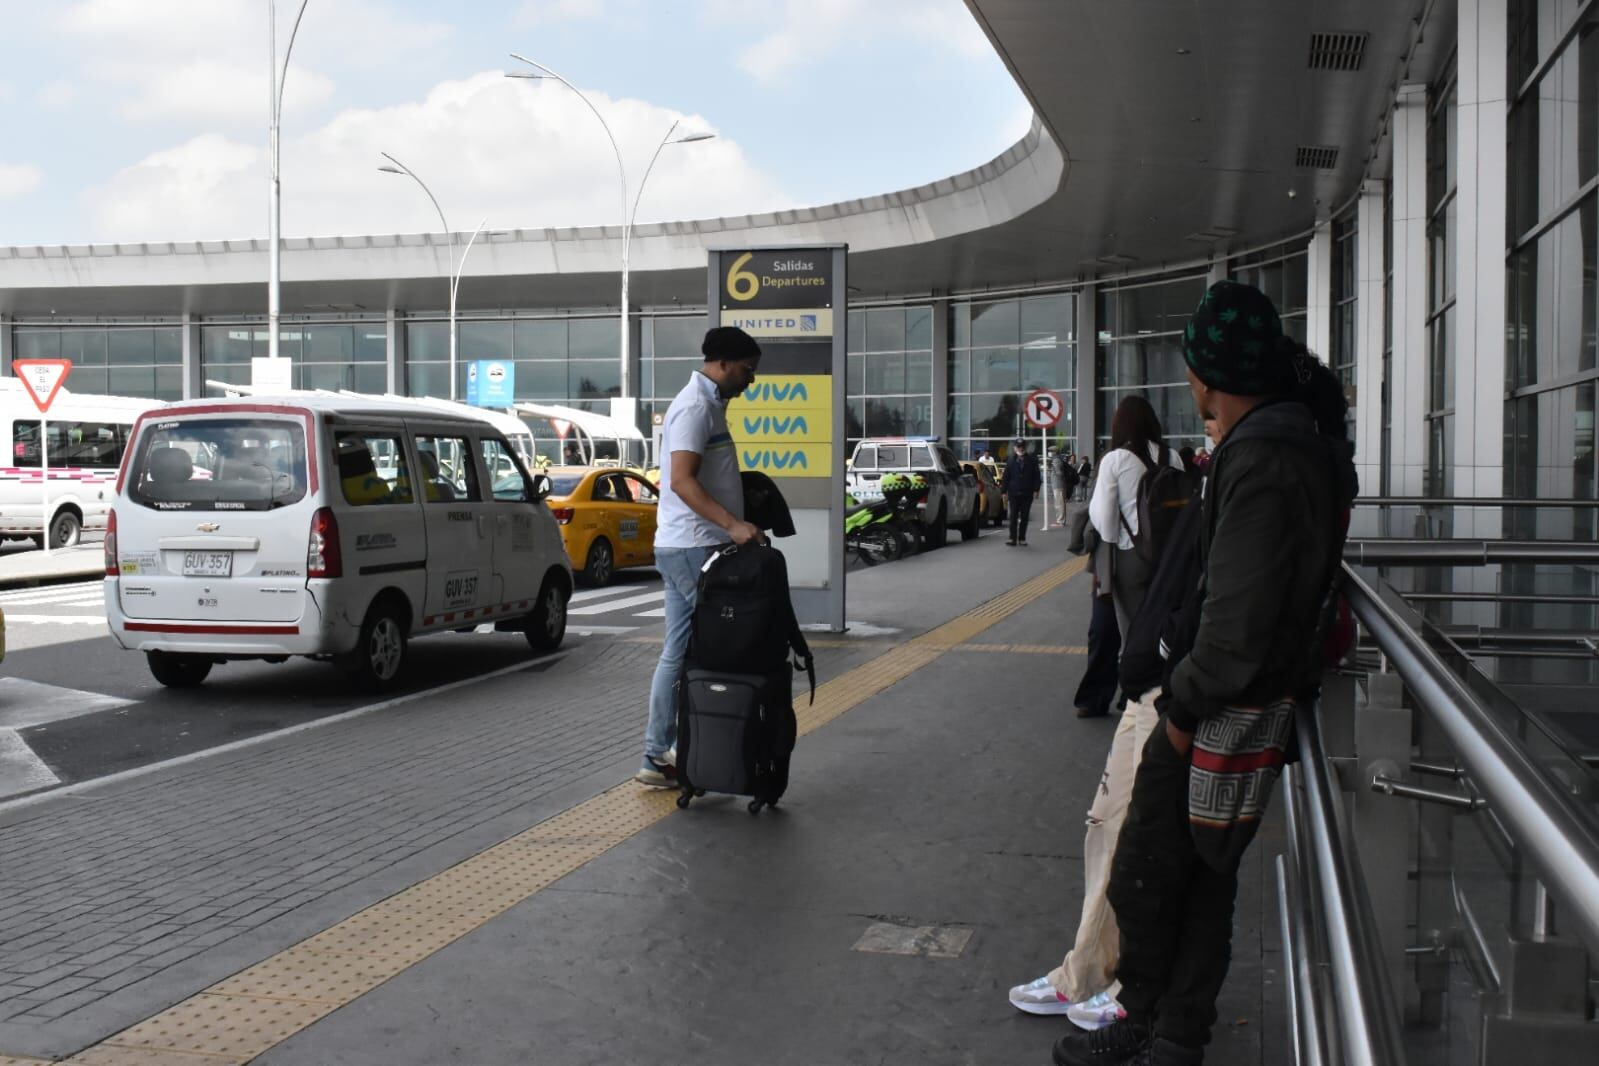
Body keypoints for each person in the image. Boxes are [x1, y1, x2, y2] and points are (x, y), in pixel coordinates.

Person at [1053, 281, 1357, 1066]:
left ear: (1207, 375)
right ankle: (1165, 1029)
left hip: (1219, 705)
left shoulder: (1265, 456)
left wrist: (1180, 714)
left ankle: (1159, 1021)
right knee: (1195, 875)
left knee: (1152, 874)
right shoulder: (1284, 442)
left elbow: (1239, 618)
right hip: (1238, 699)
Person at [636, 326, 764, 788]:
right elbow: (682, 481)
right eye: (748, 371)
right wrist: (732, 524)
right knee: (690, 652)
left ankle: (664, 752)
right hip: (693, 546)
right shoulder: (694, 408)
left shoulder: (708, 405)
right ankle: (661, 752)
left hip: (691, 544)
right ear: (724, 364)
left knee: (680, 650)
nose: (751, 380)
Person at [1088, 396, 1185, 638]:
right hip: (1171, 555)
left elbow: (1104, 520)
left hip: (1131, 555)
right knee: (1166, 629)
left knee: (1133, 634)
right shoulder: (1172, 457)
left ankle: (1135, 673)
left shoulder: (1116, 459)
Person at [1003, 437, 1042, 545]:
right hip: (1013, 493)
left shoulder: (1032, 460)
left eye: (1022, 447)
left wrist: (1036, 489)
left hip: (1027, 493)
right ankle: (1012, 538)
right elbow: (1006, 477)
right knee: (1013, 516)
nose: (1020, 449)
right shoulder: (1010, 460)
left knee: (1025, 516)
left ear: (1025, 448)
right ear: (1015, 448)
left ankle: (1022, 538)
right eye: (1018, 446)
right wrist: (1003, 492)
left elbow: (1037, 476)